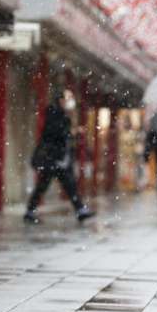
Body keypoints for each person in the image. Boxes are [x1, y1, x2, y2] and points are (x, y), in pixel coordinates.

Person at [24, 90, 96, 224]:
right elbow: (53, 133)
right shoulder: (54, 112)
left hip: (60, 159)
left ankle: (80, 210)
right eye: (67, 98)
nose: (70, 102)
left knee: (68, 185)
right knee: (45, 185)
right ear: (60, 100)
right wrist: (71, 132)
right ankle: (30, 211)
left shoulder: (62, 114)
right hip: (53, 158)